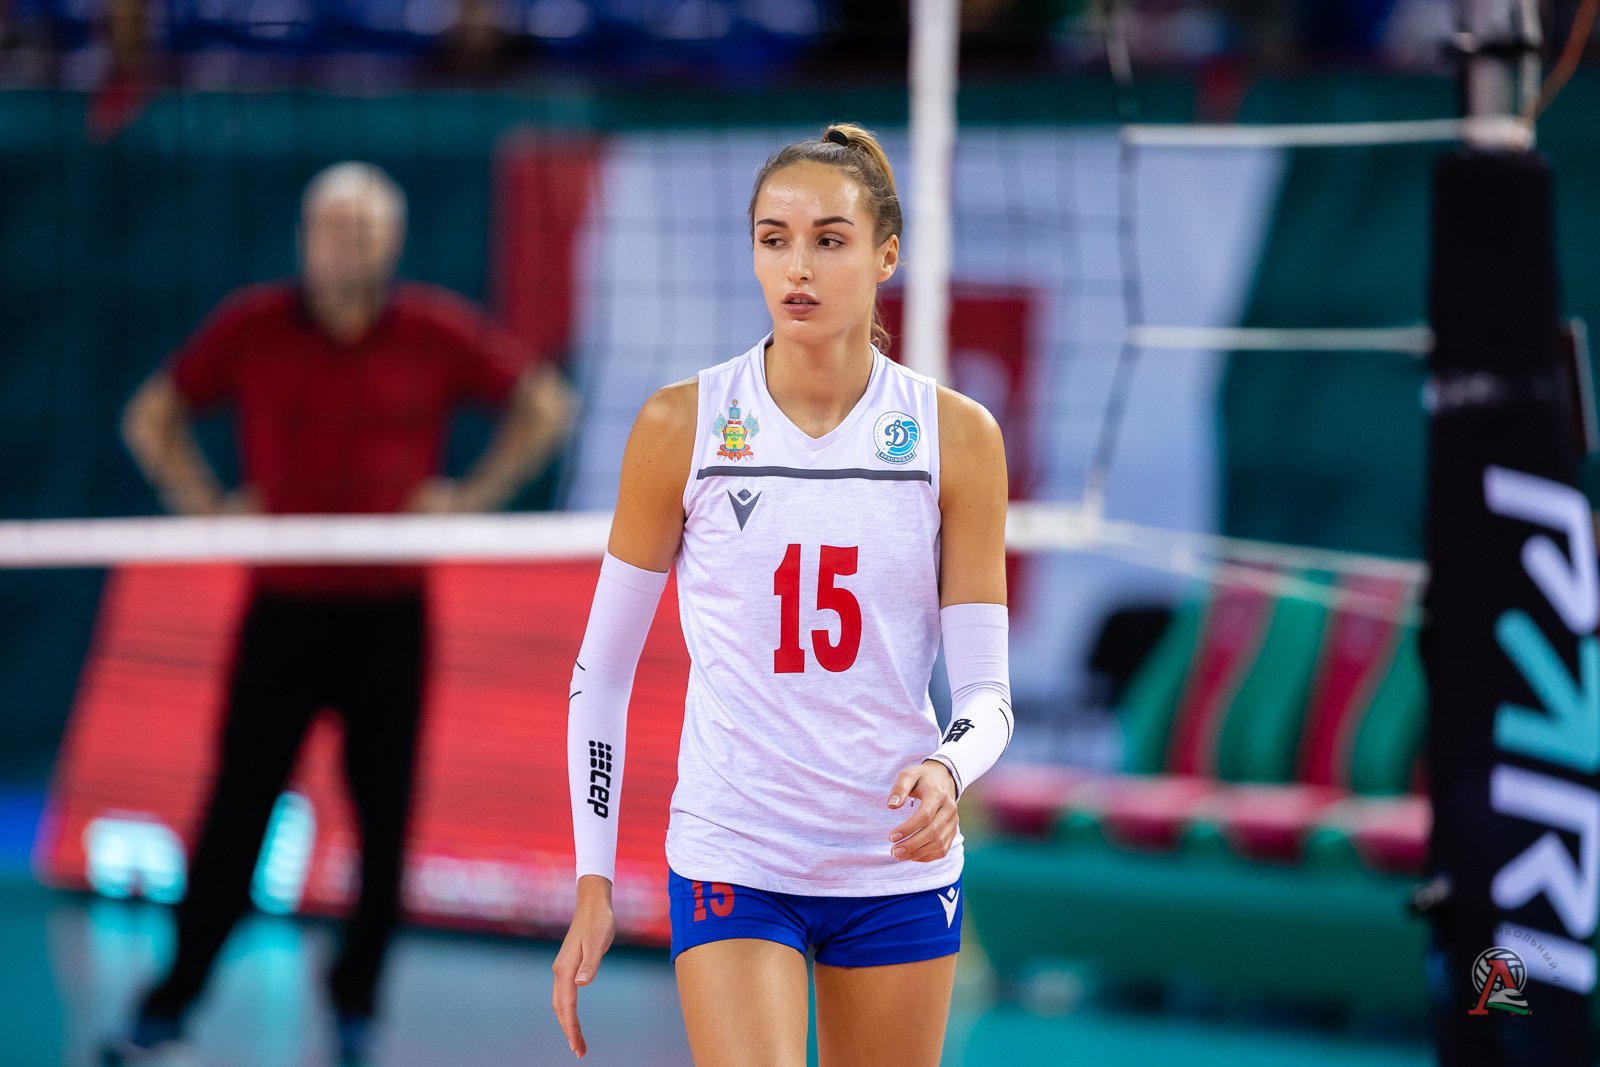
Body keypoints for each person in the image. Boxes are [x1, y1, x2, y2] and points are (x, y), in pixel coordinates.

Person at [551, 124, 1013, 1065]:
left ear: (886, 256)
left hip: (892, 858)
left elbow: (987, 696)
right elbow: (600, 677)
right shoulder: (683, 424)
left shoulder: (955, 436)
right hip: (736, 848)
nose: (797, 266)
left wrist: (948, 769)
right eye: (775, 239)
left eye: (829, 240)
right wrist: (593, 879)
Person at [106, 161, 574, 1064]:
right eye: (329, 228)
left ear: (390, 243)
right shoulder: (254, 325)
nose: (342, 247)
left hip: (388, 618)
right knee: (236, 813)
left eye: (360, 231)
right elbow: (151, 414)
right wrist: (207, 508)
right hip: (281, 612)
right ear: (304, 237)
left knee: (385, 825)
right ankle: (168, 1003)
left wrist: (469, 500)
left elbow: (546, 404)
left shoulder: (431, 329)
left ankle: (355, 1008)